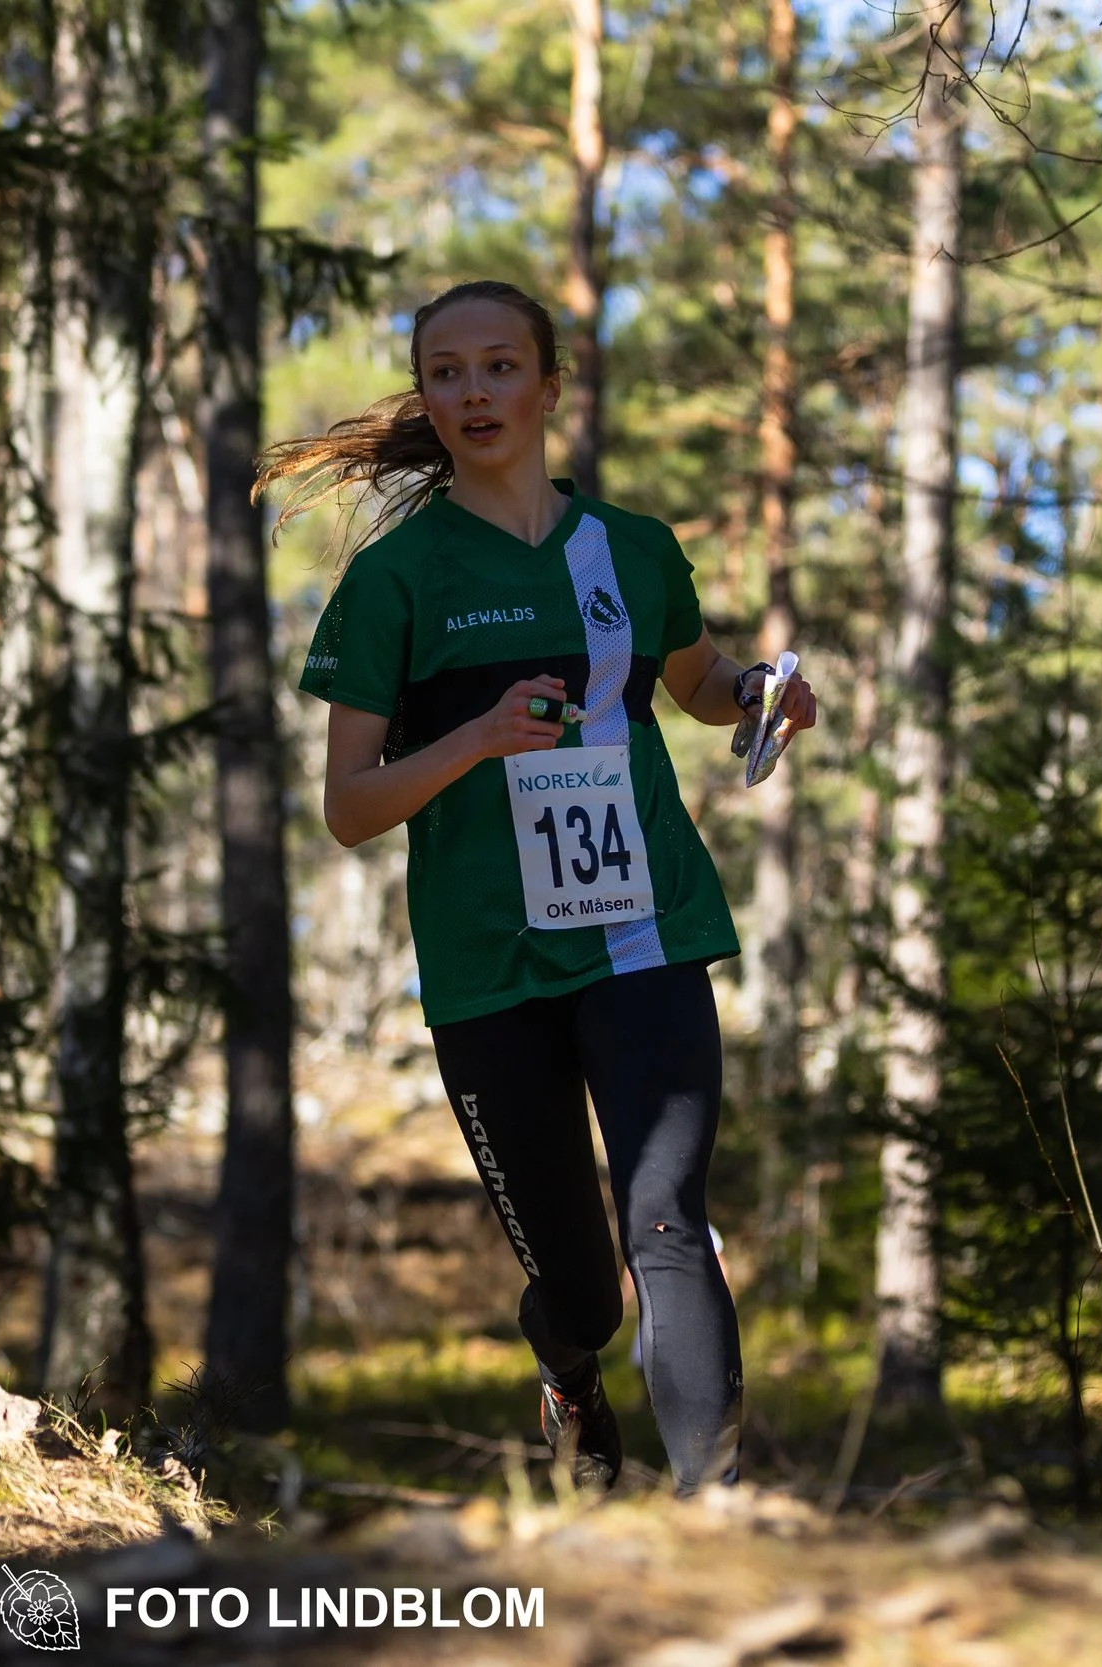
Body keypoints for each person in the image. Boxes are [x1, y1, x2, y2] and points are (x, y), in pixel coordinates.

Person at [266, 280, 818, 1494]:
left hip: (642, 927)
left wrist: (761, 691)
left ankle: (712, 1515)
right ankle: (567, 1369)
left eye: (499, 366)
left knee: (667, 1213)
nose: (474, 393)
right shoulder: (396, 582)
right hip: (486, 964)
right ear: (427, 396)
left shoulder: (630, 547)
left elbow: (694, 679)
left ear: (547, 385)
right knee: (580, 1286)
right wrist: (472, 740)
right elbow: (348, 806)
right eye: (448, 373)